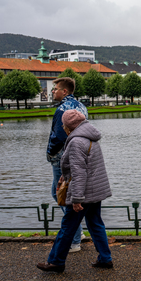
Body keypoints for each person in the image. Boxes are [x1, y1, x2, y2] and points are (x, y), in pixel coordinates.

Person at [37, 110, 113, 273]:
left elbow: (80, 173)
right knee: (95, 223)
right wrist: (65, 177)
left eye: (63, 124)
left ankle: (56, 262)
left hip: (83, 193)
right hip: (94, 191)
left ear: (69, 126)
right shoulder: (89, 137)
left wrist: (77, 198)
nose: (63, 127)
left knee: (67, 227)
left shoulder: (76, 141)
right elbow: (85, 168)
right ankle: (105, 258)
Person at [47, 77, 88, 253]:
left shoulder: (61, 109)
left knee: (62, 196)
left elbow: (58, 137)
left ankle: (75, 238)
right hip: (79, 155)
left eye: (55, 89)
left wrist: (50, 151)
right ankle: (78, 232)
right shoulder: (81, 106)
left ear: (64, 91)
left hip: (62, 159)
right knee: (65, 195)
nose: (53, 92)